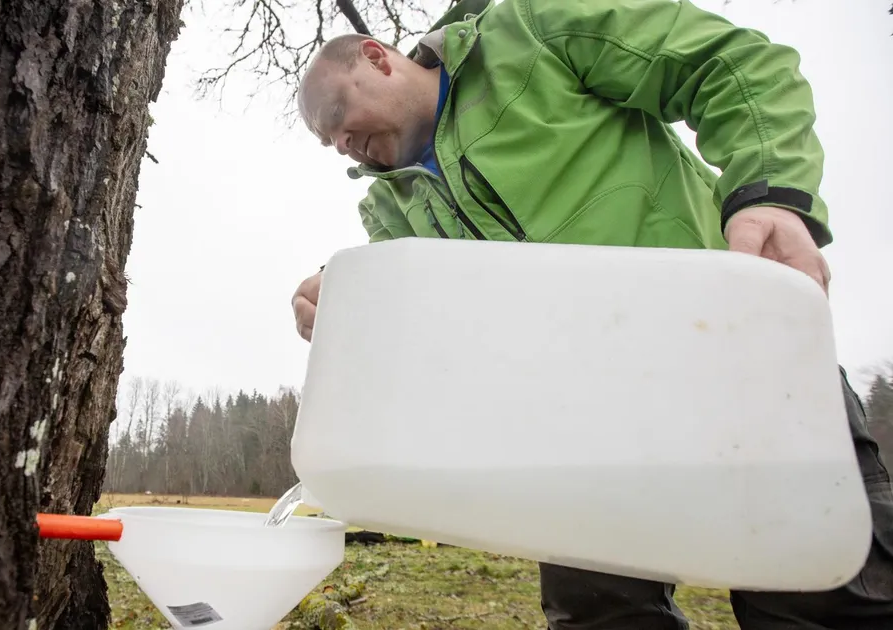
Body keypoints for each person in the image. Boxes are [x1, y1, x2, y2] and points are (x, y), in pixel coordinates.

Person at [288, 0, 893, 628]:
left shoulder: (529, 31)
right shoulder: (388, 211)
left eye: (335, 116)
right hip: (571, 438)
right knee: (602, 619)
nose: (341, 145)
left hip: (732, 365)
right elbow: (413, 312)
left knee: (817, 597)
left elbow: (728, 62)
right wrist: (345, 299)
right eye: (328, 142)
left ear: (376, 58)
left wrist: (769, 193)